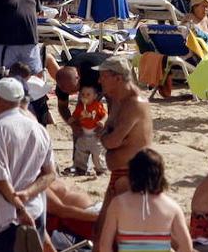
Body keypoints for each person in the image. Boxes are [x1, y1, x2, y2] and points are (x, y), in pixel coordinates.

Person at [0, 77, 56, 252]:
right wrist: (28, 194)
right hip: (35, 211)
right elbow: (50, 174)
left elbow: (0, 180)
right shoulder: (39, 129)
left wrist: (20, 209)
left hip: (4, 217)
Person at [97, 56, 154, 236]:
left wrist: (105, 136)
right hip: (119, 172)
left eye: (103, 76)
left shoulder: (135, 103)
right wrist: (106, 136)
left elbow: (112, 141)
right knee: (101, 230)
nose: (99, 81)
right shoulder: (116, 100)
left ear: (118, 78)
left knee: (127, 231)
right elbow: (109, 135)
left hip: (133, 174)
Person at [98, 148, 194, 252]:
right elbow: (186, 247)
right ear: (160, 175)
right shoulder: (172, 207)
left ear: (132, 174)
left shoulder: (118, 203)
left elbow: (104, 246)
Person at [69, 81, 108, 176]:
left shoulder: (97, 105)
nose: (85, 96)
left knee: (97, 154)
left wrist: (102, 121)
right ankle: (81, 168)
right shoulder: (80, 107)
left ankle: (100, 169)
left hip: (95, 135)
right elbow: (75, 115)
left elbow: (105, 115)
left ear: (95, 96)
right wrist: (72, 119)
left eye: (88, 94)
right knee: (81, 152)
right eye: (82, 94)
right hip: (83, 134)